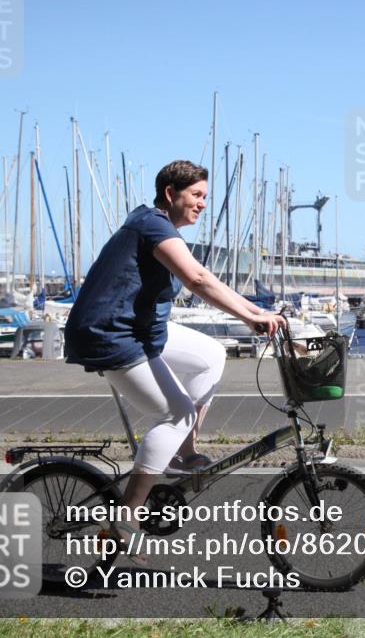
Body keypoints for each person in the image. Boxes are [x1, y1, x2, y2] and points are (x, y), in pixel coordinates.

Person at [64, 160, 284, 558]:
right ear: (171, 193)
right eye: (196, 195)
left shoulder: (155, 225)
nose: (202, 204)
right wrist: (252, 316)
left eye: (205, 197)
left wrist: (256, 313)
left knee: (210, 355)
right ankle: (126, 519)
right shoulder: (153, 225)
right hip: (111, 334)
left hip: (142, 329)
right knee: (177, 414)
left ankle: (183, 454)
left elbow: (207, 278)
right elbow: (197, 280)